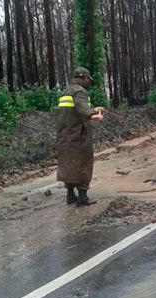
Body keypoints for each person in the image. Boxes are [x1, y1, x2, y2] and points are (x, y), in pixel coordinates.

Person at [56, 67, 104, 207]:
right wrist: (93, 115)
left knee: (69, 164)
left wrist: (92, 110)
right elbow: (81, 105)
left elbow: (76, 109)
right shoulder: (80, 91)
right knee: (83, 163)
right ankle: (83, 197)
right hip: (79, 135)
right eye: (88, 79)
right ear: (84, 78)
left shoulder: (66, 91)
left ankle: (70, 195)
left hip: (65, 135)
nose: (89, 82)